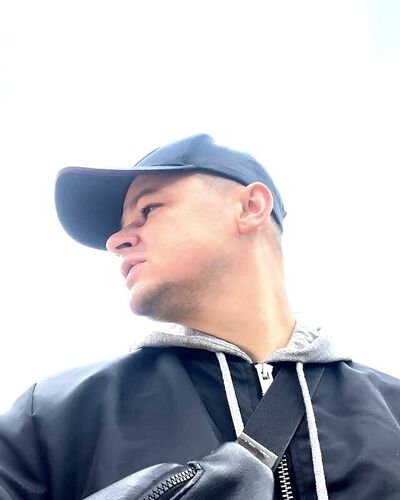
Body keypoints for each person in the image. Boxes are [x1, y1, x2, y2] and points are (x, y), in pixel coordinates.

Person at [0, 134, 399, 499]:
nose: (116, 241)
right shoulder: (48, 418)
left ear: (251, 207)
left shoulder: (393, 408)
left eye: (148, 209)